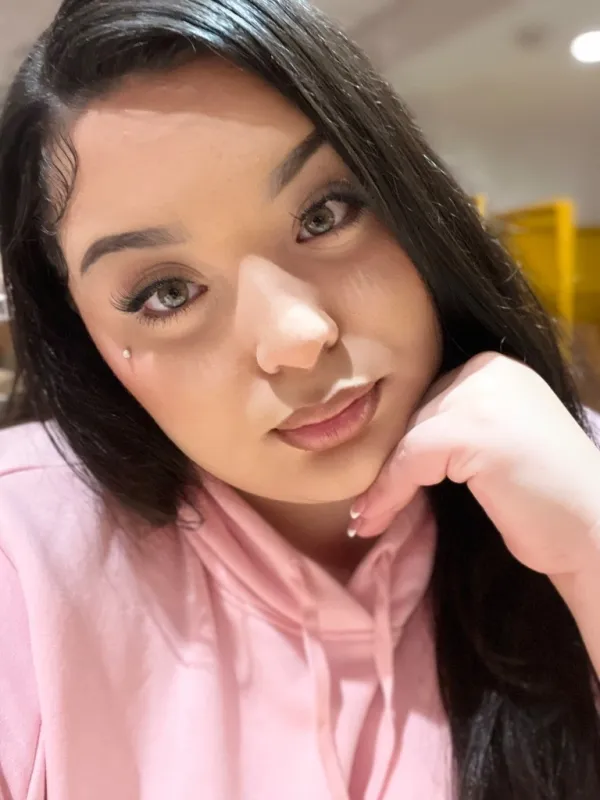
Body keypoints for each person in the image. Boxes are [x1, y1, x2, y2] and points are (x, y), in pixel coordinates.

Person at [0, 0, 599, 797]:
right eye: (166, 293)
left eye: (325, 214)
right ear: (86, 344)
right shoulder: (23, 556)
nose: (297, 335)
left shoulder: (570, 467)